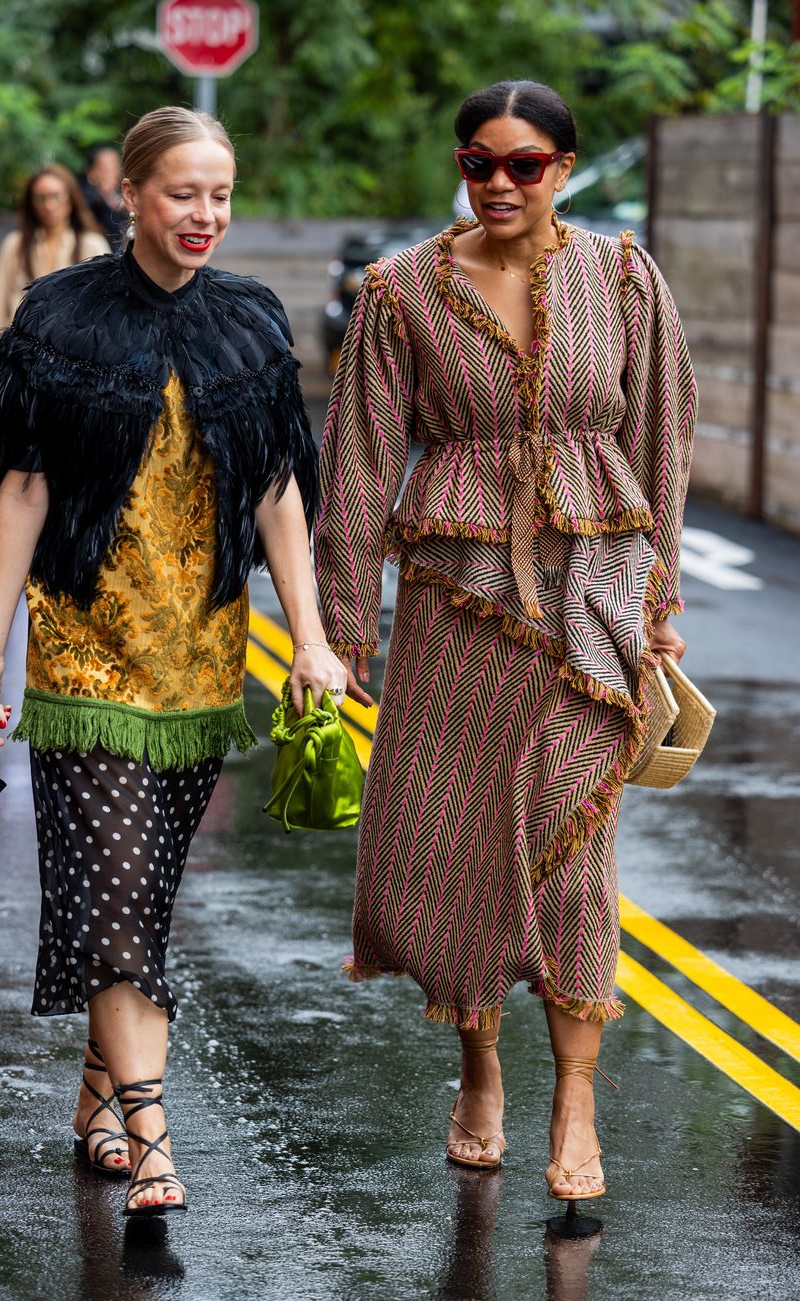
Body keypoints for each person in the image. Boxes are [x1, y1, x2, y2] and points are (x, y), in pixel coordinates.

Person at [0, 106, 344, 1218]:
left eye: (220, 194)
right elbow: (20, 487)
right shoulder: (61, 315)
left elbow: (275, 492)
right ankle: (155, 1134)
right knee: (114, 895)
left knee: (140, 899)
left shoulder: (251, 323)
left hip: (199, 665)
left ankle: (96, 1092)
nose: (203, 214)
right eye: (181, 194)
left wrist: (307, 638)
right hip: (82, 654)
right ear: (131, 196)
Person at [315, 80, 696, 1203]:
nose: (495, 183)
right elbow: (354, 469)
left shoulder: (621, 275)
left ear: (561, 170)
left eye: (521, 165)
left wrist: (657, 606)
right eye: (477, 162)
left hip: (593, 592)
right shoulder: (399, 293)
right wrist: (340, 635)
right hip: (455, 599)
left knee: (575, 855)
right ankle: (477, 1064)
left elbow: (662, 438)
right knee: (461, 840)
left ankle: (573, 1102)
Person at [0, 163, 109, 388]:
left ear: (70, 199)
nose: (49, 205)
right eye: (40, 198)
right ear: (31, 203)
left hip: (75, 365)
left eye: (55, 196)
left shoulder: (92, 245)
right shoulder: (15, 245)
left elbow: (105, 313)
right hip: (19, 362)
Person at [78, 143, 128, 251]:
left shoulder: (118, 197)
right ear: (92, 171)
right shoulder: (85, 196)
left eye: (116, 166)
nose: (115, 172)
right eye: (108, 168)